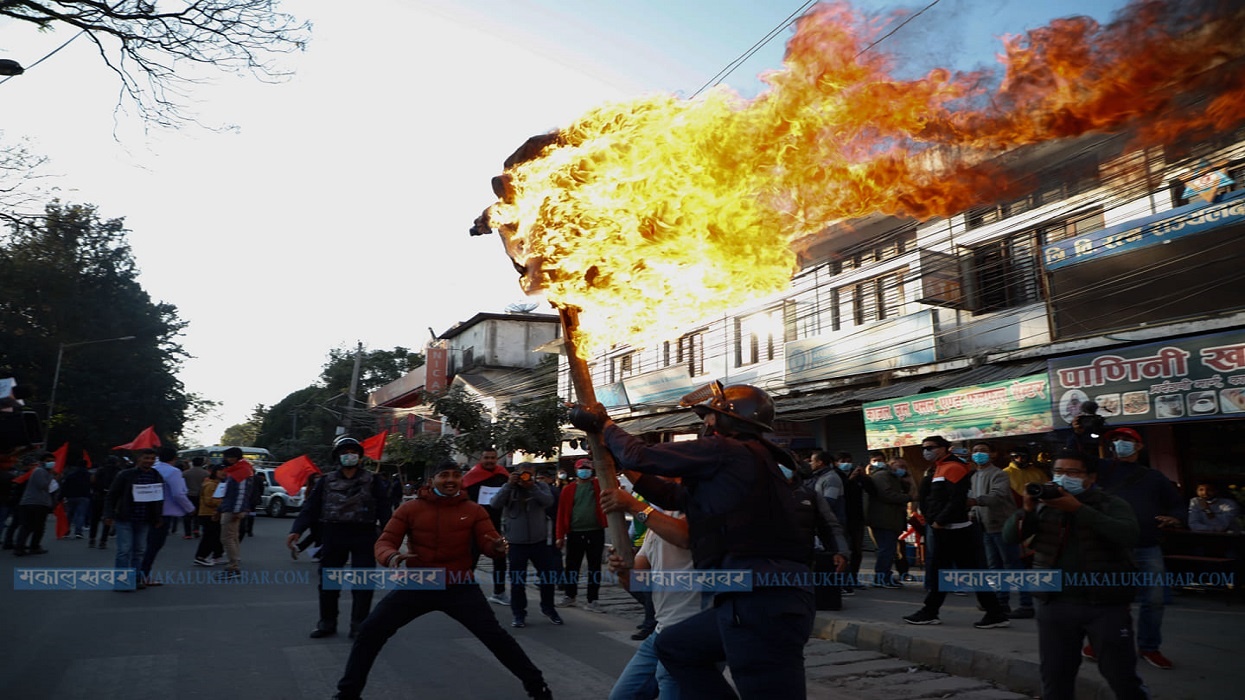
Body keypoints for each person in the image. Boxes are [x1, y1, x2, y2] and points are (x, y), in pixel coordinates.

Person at [570, 383, 814, 699]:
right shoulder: (747, 463)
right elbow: (670, 494)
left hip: (761, 602)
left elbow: (639, 454)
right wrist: (622, 469)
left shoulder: (728, 450)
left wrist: (604, 424)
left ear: (727, 421)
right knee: (675, 647)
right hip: (752, 601)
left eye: (710, 417)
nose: (706, 424)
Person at [333, 461, 553, 700]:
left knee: (497, 638)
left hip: (459, 583)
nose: (450, 480)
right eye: (444, 475)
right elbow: (384, 542)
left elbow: (490, 544)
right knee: (370, 632)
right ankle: (347, 693)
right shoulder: (410, 509)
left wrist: (498, 547)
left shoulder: (474, 510)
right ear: (432, 480)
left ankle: (538, 687)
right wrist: (392, 556)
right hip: (420, 581)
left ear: (462, 480)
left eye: (456, 476)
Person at [1002, 450, 1149, 700]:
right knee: (1055, 675)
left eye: (1072, 473)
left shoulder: (1110, 504)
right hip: (1054, 602)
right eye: (1058, 472)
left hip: (1105, 604)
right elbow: (1009, 537)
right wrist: (1027, 509)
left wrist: (1078, 509)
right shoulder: (1043, 506)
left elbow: (1128, 535)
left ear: (1090, 478)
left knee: (1120, 675)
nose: (1063, 477)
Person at [1071, 425, 1183, 670]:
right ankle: (1100, 644)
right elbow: (1074, 455)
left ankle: (1149, 647)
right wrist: (1079, 432)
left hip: (1147, 546)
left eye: (1126, 439)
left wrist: (1175, 518)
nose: (1120, 443)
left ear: (1139, 445)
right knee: (1108, 600)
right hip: (1110, 546)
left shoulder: (1153, 477)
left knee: (1154, 600)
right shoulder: (1101, 469)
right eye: (1116, 440)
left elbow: (1176, 505)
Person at [602, 484, 698, 700]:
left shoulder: (703, 507)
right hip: (662, 630)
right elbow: (638, 581)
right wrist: (622, 570)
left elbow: (684, 536)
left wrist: (633, 505)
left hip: (693, 634)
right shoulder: (656, 525)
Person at [288, 437, 391, 639]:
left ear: (360, 457)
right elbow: (311, 508)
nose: (349, 455)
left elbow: (384, 509)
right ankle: (327, 622)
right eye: (345, 452)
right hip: (334, 534)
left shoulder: (373, 480)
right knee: (329, 581)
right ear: (337, 457)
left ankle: (359, 624)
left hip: (364, 534)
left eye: (353, 452)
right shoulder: (326, 481)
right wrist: (297, 530)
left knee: (363, 582)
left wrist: (389, 537)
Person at [903, 435, 1010, 628]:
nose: (926, 451)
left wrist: (939, 521)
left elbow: (956, 500)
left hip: (954, 529)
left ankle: (933, 611)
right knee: (949, 571)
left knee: (953, 571)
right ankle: (992, 612)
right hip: (948, 528)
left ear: (944, 448)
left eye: (931, 447)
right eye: (924, 447)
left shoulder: (953, 467)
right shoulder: (939, 468)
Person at [491, 462, 563, 628]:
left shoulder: (541, 486)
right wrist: (509, 485)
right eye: (522, 474)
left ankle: (549, 609)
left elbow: (548, 501)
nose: (526, 477)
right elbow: (495, 503)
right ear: (516, 473)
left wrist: (532, 487)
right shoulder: (509, 488)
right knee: (517, 582)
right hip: (516, 543)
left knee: (547, 579)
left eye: (529, 474)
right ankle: (518, 614)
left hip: (539, 542)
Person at [968, 441, 1033, 618]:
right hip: (986, 526)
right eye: (975, 451)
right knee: (995, 566)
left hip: (1002, 525)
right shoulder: (974, 476)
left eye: (983, 451)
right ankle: (1001, 602)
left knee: (1013, 565)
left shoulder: (999, 474)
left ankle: (1026, 603)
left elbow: (998, 495)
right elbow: (973, 498)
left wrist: (976, 502)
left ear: (993, 454)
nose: (978, 454)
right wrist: (973, 512)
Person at [103, 448, 164, 589]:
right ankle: (121, 581)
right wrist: (108, 514)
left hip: (144, 520)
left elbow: (159, 499)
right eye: (146, 458)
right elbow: (112, 496)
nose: (149, 461)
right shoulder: (125, 475)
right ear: (139, 459)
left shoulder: (156, 476)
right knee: (124, 550)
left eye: (152, 458)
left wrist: (158, 517)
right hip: (125, 518)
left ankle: (136, 579)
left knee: (139, 551)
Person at [555, 458, 608, 613]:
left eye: (587, 468)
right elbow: (562, 513)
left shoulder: (598, 485)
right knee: (572, 566)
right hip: (575, 533)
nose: (584, 471)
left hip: (595, 531)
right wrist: (560, 535)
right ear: (576, 470)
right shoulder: (569, 489)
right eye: (582, 468)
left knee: (595, 566)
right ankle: (570, 595)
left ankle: (593, 599)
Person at [462, 447, 511, 605]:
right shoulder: (470, 478)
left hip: (496, 524)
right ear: (480, 459)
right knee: (471, 560)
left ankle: (499, 592)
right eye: (486, 457)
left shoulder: (503, 476)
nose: (489, 460)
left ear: (496, 459)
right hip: (474, 526)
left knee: (500, 560)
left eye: (492, 458)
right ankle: (464, 592)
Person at [140, 446, 195, 585]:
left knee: (141, 545)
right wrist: (190, 509)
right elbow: (178, 494)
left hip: (143, 511)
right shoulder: (173, 471)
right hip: (163, 513)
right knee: (153, 546)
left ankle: (135, 573)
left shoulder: (153, 469)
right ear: (175, 458)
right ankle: (143, 575)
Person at [865, 456, 912, 588]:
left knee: (889, 550)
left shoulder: (894, 477)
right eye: (900, 466)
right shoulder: (882, 476)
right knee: (886, 550)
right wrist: (908, 497)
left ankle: (885, 575)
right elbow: (887, 495)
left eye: (905, 467)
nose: (902, 470)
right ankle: (882, 578)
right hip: (883, 519)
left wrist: (907, 483)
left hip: (891, 519)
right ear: (891, 464)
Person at [216, 447, 254, 579]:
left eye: (227, 457)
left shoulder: (241, 471)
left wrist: (237, 510)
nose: (225, 459)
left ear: (234, 457)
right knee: (233, 537)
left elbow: (241, 494)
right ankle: (234, 563)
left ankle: (232, 567)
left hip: (232, 509)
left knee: (227, 538)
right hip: (232, 508)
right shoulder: (240, 470)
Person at [13, 452, 55, 555]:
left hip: (37, 502)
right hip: (35, 503)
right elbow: (43, 486)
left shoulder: (43, 471)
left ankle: (24, 547)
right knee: (33, 526)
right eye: (48, 461)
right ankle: (30, 547)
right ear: (42, 462)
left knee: (32, 526)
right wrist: (53, 476)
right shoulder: (40, 471)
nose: (51, 463)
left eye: (52, 461)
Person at [193, 465, 225, 566]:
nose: (223, 473)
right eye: (220, 470)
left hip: (215, 513)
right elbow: (209, 501)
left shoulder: (219, 484)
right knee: (209, 536)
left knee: (215, 536)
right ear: (215, 472)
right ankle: (201, 556)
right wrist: (224, 502)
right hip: (208, 513)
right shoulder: (210, 485)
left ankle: (216, 556)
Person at [88, 455, 122, 549]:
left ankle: (92, 539)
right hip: (111, 499)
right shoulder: (118, 472)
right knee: (108, 519)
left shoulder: (100, 470)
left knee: (94, 519)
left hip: (98, 497)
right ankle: (103, 541)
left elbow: (92, 482)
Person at [60, 459, 92, 539]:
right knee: (81, 514)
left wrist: (61, 496)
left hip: (71, 496)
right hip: (84, 496)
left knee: (69, 514)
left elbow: (65, 486)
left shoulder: (71, 475)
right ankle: (78, 532)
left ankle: (66, 531)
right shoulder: (89, 475)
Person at [181, 456, 209, 538]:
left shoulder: (186, 473)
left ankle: (187, 533)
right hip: (200, 495)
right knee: (198, 514)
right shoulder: (206, 473)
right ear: (202, 463)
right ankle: (196, 530)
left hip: (189, 495)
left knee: (187, 514)